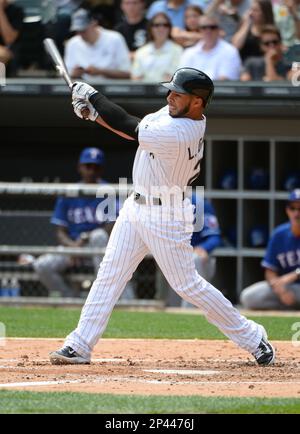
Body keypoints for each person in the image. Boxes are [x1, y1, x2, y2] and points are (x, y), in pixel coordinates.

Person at [49, 67, 275, 367]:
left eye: (177, 94)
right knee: (109, 274)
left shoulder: (181, 132)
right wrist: (93, 115)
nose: (170, 97)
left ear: (197, 102)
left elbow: (129, 127)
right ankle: (80, 345)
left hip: (166, 213)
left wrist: (93, 97)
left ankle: (253, 336)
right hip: (136, 206)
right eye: (170, 91)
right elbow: (135, 125)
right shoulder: (177, 115)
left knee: (187, 285)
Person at [31, 148, 112, 298]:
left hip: (98, 248)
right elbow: (60, 231)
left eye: (96, 167)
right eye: (88, 166)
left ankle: (101, 295)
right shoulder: (69, 192)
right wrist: (74, 248)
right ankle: (70, 298)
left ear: (101, 169)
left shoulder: (109, 191)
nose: (92, 170)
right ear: (80, 167)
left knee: (99, 235)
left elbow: (111, 226)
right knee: (41, 265)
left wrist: (85, 240)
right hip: (72, 246)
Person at [156, 196, 223, 307]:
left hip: (198, 258)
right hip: (175, 256)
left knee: (194, 258)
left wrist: (204, 248)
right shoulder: (162, 203)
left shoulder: (199, 203)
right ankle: (169, 306)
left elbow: (214, 236)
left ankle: (191, 308)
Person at [241, 189, 300, 310]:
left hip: (292, 283)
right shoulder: (279, 234)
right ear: (287, 210)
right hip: (288, 287)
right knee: (248, 297)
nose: (296, 213)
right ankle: (290, 306)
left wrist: (293, 275)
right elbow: (270, 270)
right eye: (292, 208)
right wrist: (280, 290)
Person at [64, 8, 131, 80]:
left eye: (83, 30)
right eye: (77, 31)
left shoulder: (114, 38)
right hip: (83, 88)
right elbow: (66, 76)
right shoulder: (72, 43)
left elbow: (127, 73)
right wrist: (74, 74)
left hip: (111, 88)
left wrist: (101, 71)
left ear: (94, 23)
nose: (80, 34)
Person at [179, 15, 242, 80]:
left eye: (212, 27)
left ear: (219, 29)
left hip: (220, 89)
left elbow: (225, 80)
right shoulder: (189, 53)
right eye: (204, 27)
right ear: (199, 30)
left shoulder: (230, 51)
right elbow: (182, 79)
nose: (208, 31)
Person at [131, 12, 183, 81]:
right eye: (157, 25)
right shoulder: (141, 52)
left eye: (165, 25)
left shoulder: (178, 50)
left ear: (169, 28)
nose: (161, 28)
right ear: (150, 28)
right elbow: (136, 78)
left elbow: (175, 78)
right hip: (144, 91)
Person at [0, 0, 24, 75]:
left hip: (7, 49)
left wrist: (0, 11)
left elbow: (9, 39)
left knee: (2, 54)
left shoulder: (16, 12)